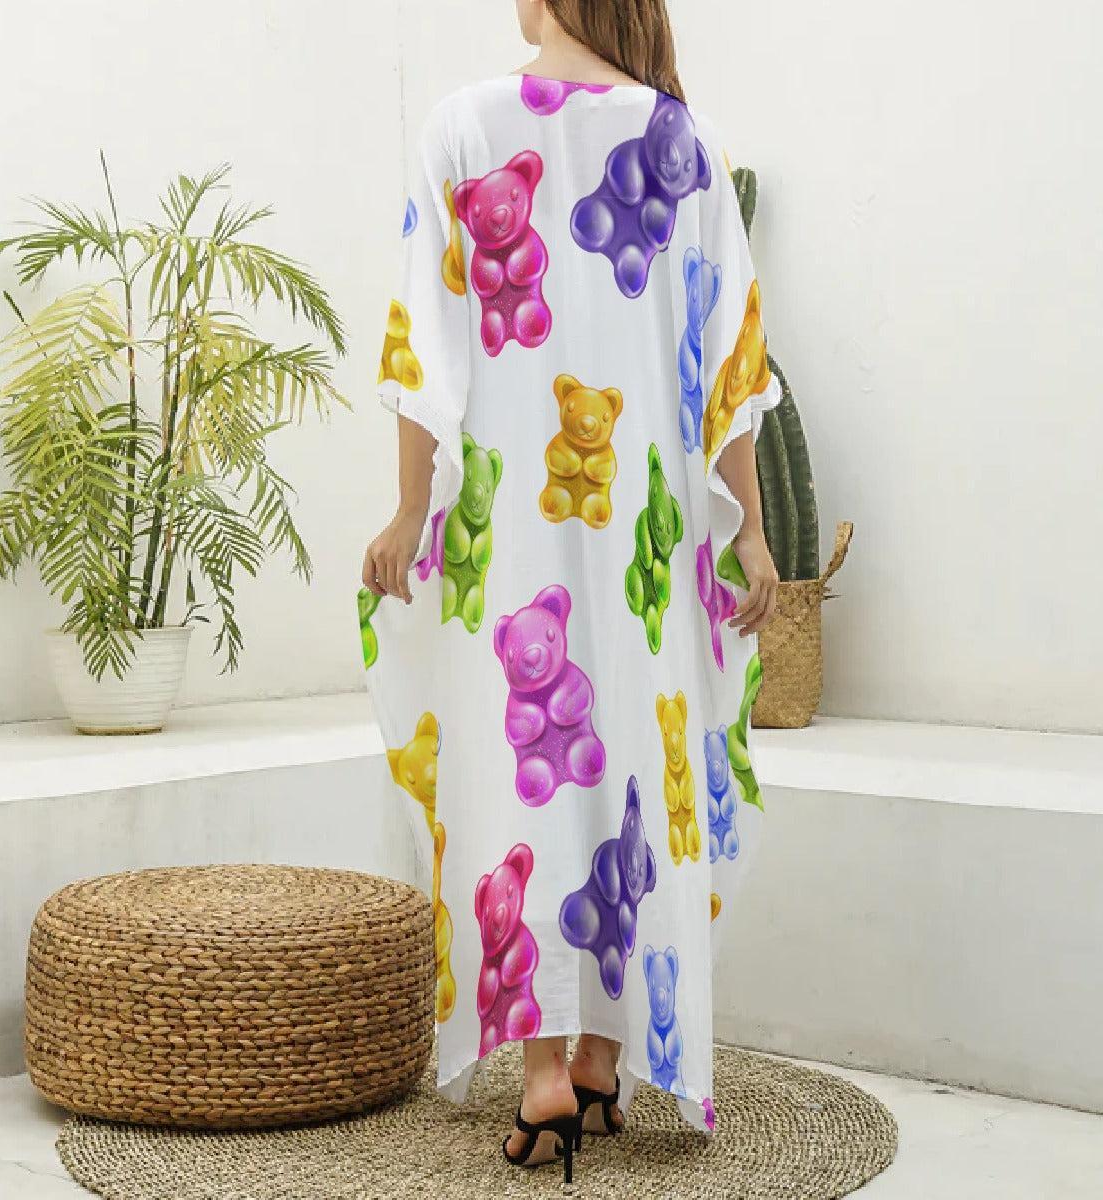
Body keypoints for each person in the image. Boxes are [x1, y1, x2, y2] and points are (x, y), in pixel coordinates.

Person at [359, 0, 780, 1184]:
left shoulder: (464, 126)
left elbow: (424, 344)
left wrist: (409, 509)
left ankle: (546, 1071)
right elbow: (731, 358)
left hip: (510, 529)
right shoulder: (688, 142)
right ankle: (602, 1057)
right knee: (642, 759)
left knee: (517, 771)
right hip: (647, 529)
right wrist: (750, 531)